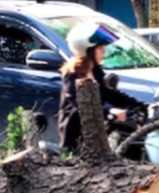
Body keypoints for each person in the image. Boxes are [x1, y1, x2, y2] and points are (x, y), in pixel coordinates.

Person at [58, 22, 143, 153]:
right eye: (100, 48)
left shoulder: (97, 72)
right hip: (75, 132)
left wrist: (140, 105)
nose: (104, 52)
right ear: (89, 50)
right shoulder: (72, 74)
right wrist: (109, 111)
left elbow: (111, 95)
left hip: (96, 131)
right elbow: (78, 102)